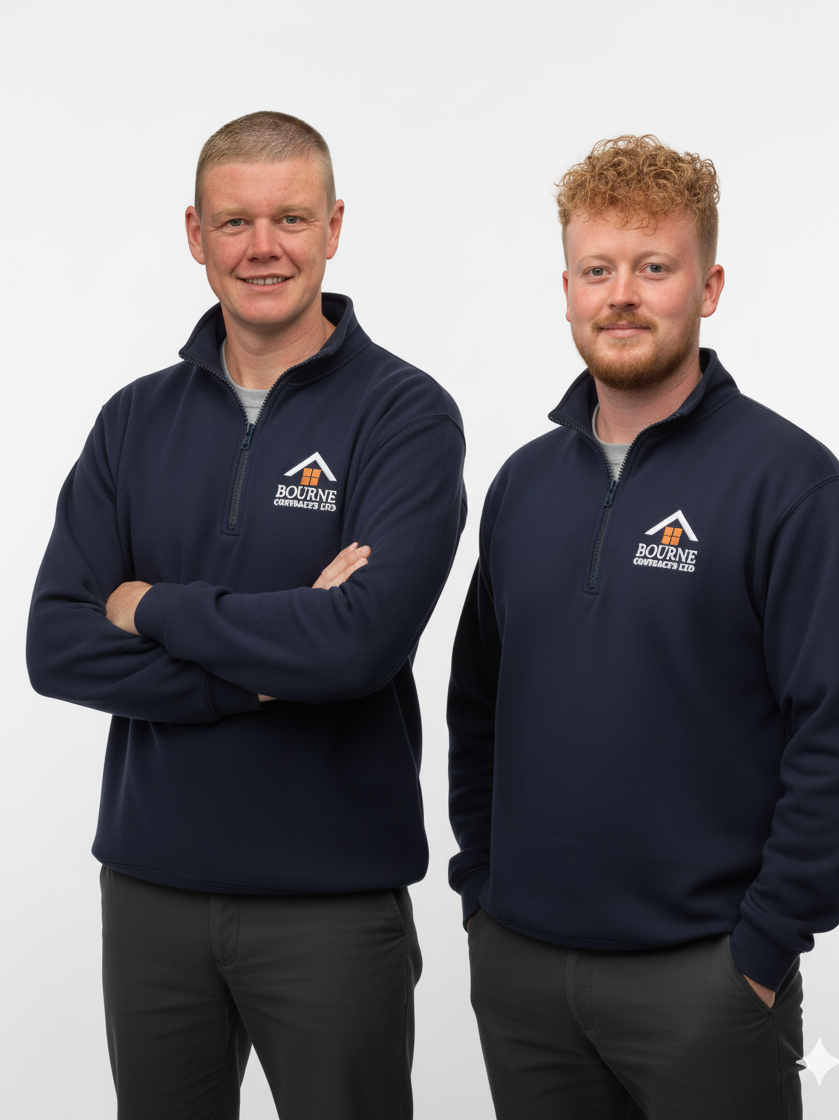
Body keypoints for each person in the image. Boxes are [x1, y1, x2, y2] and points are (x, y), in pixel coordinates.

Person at [447, 134, 839, 1120]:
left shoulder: (792, 487)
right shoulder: (521, 486)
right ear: (566, 289)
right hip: (523, 975)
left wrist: (763, 946)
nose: (622, 295)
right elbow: (477, 704)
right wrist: (481, 891)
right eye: (597, 269)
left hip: (703, 983)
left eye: (654, 268)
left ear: (709, 286)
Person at [27, 110, 466, 1120]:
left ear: (333, 227)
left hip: (330, 903)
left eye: (291, 218)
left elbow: (357, 645)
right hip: (150, 892)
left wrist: (150, 604)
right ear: (197, 234)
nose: (263, 247)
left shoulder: (404, 415)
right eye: (235, 222)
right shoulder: (132, 421)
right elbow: (56, 644)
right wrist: (265, 669)